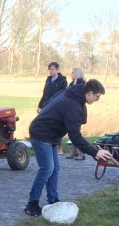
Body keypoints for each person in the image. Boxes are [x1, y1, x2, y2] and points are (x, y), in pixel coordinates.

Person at [24, 79, 112, 217]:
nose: (97, 99)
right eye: (97, 96)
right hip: (41, 133)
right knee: (47, 169)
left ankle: (53, 201)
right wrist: (95, 152)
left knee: (55, 168)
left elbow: (50, 103)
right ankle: (32, 204)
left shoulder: (74, 94)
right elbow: (75, 136)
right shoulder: (72, 104)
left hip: (52, 136)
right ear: (89, 93)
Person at [37, 62, 68, 155]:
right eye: (49, 69)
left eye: (53, 69)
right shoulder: (48, 80)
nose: (50, 71)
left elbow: (63, 95)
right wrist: (40, 105)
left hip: (56, 107)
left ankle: (58, 146)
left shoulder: (62, 81)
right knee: (45, 125)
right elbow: (45, 94)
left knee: (56, 126)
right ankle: (47, 145)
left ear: (57, 70)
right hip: (46, 106)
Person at [66, 67, 86, 160]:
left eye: (73, 72)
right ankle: (73, 152)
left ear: (77, 73)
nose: (71, 74)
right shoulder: (71, 83)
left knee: (76, 132)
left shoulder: (82, 84)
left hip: (78, 111)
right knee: (72, 132)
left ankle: (81, 153)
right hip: (70, 110)